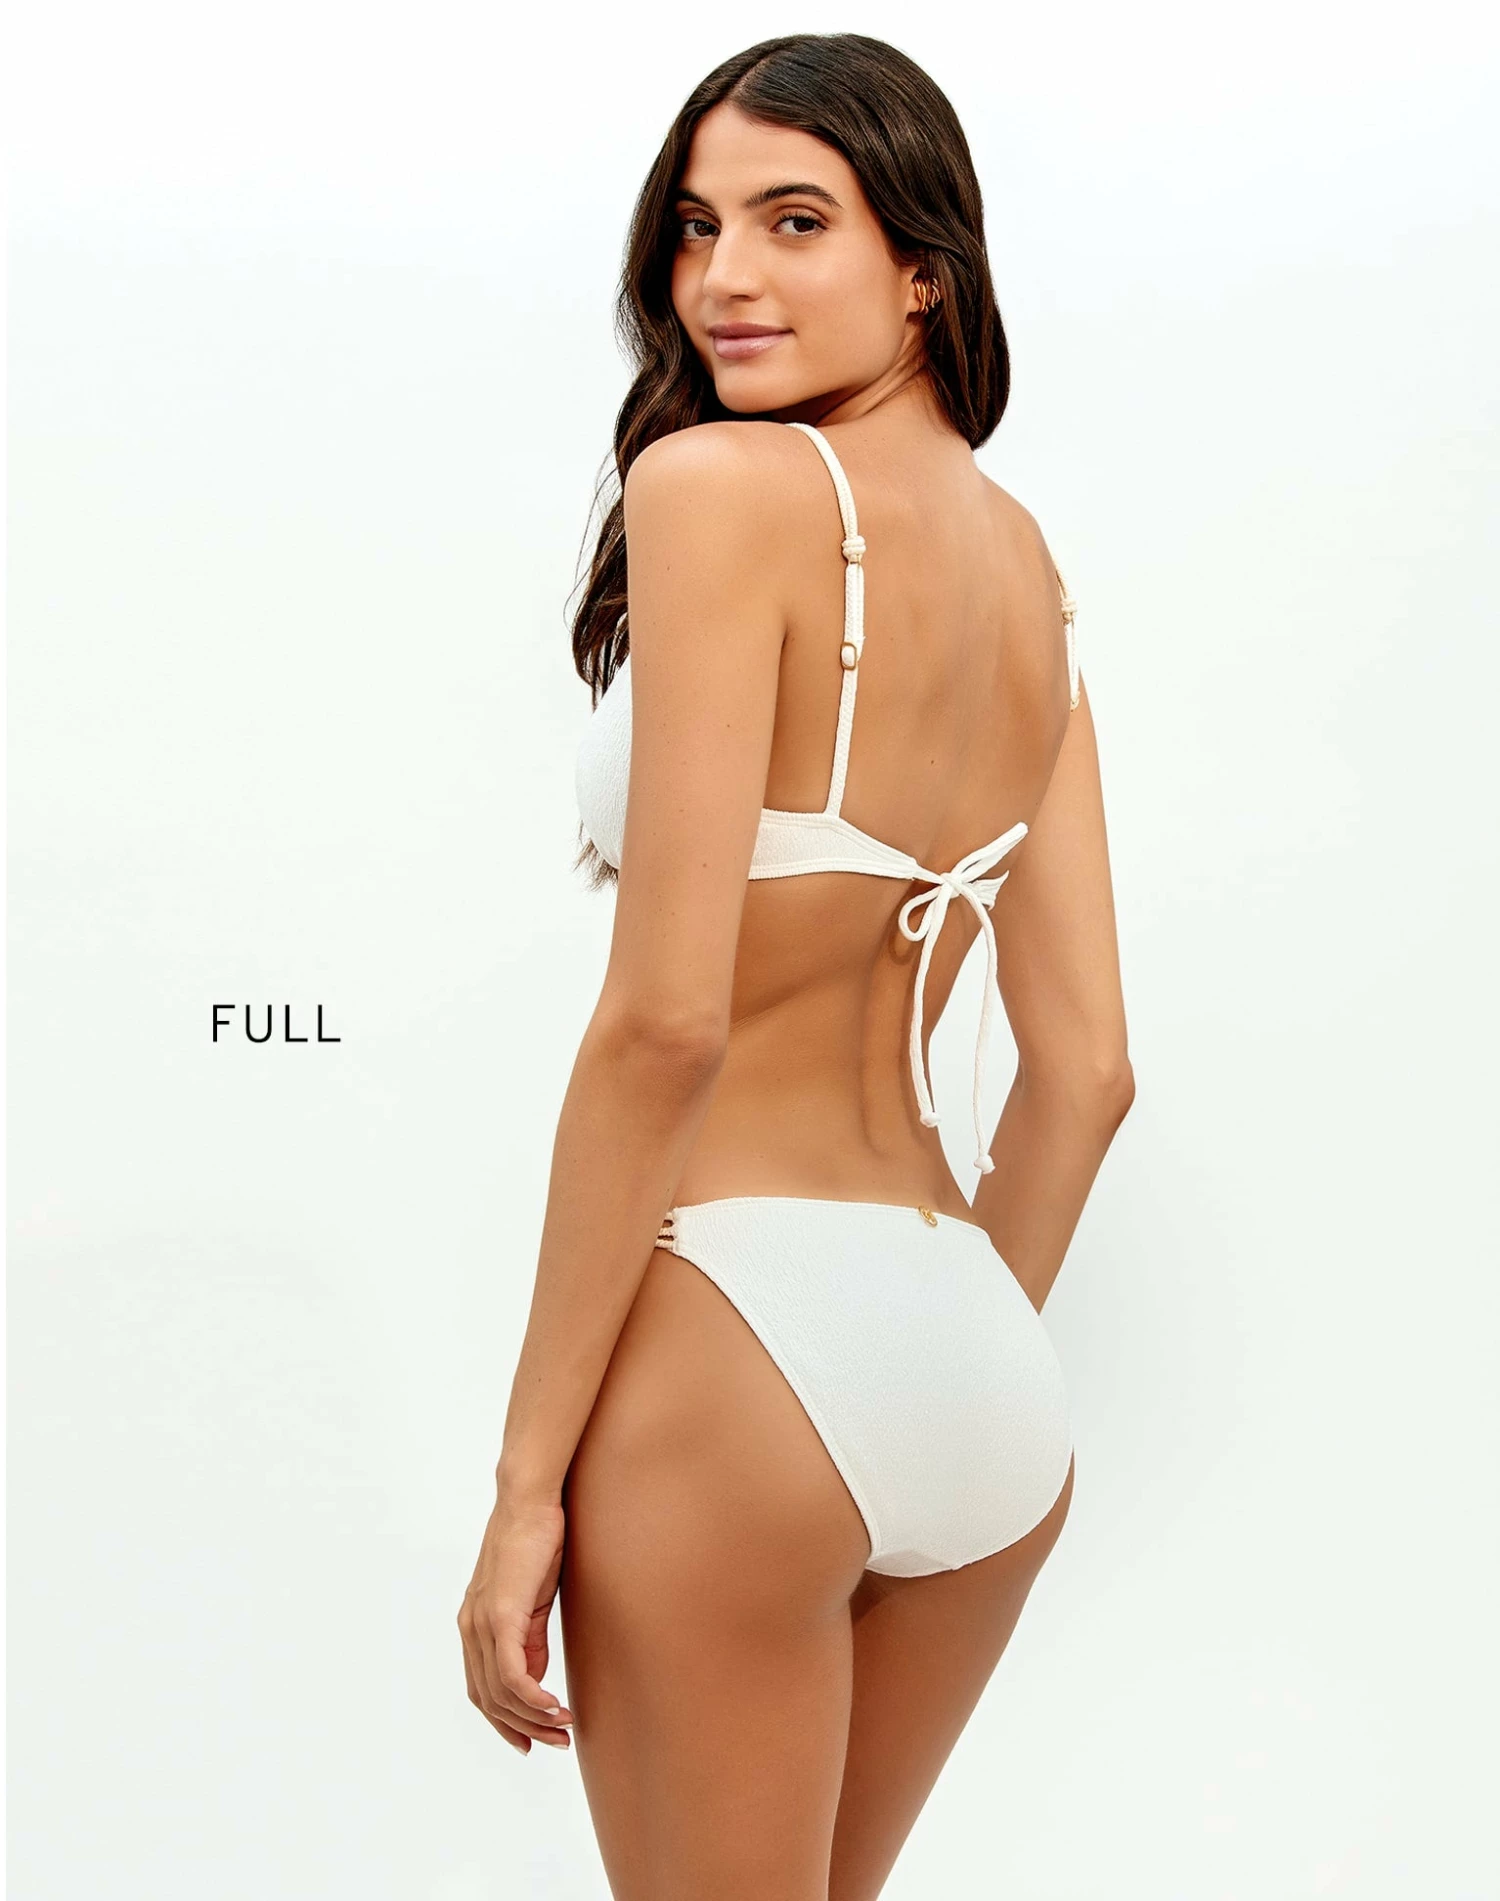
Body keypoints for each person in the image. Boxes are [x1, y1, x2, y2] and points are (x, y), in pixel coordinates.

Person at [458, 32, 1134, 1898]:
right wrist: (930, 1359)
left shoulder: (716, 489)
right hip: (975, 1362)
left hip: (738, 1335)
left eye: (794, 220)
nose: (723, 278)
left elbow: (666, 1023)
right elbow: (1087, 1072)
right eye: (695, 228)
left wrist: (525, 1486)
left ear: (924, 265)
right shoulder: (1029, 573)